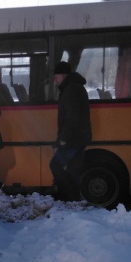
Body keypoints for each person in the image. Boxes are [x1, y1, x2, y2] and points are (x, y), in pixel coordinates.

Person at [49, 61, 92, 202]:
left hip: (73, 138)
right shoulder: (74, 87)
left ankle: (72, 196)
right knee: (73, 169)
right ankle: (76, 198)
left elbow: (72, 118)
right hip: (79, 137)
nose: (55, 79)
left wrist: (63, 138)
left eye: (56, 76)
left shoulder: (71, 90)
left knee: (55, 165)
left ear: (63, 75)